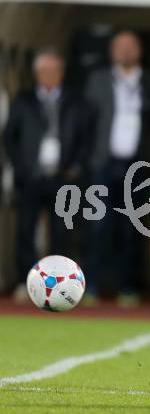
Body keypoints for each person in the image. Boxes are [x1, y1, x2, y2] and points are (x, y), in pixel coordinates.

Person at [4, 48, 92, 300]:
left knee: (61, 232)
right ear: (36, 74)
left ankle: (62, 284)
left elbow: (85, 138)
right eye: (44, 71)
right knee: (25, 230)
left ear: (62, 73)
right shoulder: (23, 100)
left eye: (54, 70)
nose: (49, 75)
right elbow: (10, 137)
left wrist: (75, 167)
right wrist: (21, 167)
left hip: (62, 177)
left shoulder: (76, 101)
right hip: (31, 176)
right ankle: (25, 280)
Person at [85, 31, 150, 305]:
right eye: (121, 47)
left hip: (137, 167)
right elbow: (87, 122)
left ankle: (128, 286)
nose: (126, 51)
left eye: (131, 46)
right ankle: (92, 284)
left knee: (132, 228)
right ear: (112, 51)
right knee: (98, 225)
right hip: (103, 163)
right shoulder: (98, 80)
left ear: (139, 50)